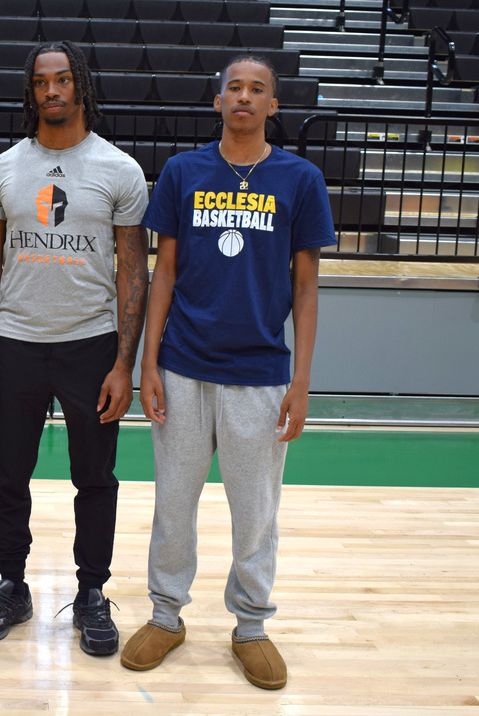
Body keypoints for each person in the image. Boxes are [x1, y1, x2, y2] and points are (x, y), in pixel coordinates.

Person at [119, 56, 335, 689]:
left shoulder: (300, 178)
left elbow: (307, 288)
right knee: (173, 503)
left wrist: (300, 381)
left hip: (262, 374)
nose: (244, 97)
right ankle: (166, 616)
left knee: (256, 511)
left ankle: (251, 626)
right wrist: (148, 361)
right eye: (234, 88)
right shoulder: (185, 172)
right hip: (183, 367)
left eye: (257, 89)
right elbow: (162, 276)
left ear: (273, 105)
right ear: (217, 101)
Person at [0, 40, 150, 656]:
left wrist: (123, 364)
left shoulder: (119, 170)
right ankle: (12, 585)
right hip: (16, 345)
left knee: (94, 479)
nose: (52, 90)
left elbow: (133, 271)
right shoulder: (3, 170)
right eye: (42, 81)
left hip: (91, 347)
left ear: (80, 87)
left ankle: (92, 592)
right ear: (31, 91)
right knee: (8, 477)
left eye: (63, 79)